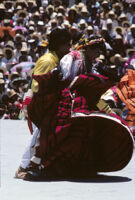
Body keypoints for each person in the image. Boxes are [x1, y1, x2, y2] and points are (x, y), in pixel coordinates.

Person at [15, 34, 134, 180]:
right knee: (46, 132)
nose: (98, 53)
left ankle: (69, 166)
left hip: (77, 103)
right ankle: (25, 166)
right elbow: (62, 78)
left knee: (81, 132)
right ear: (89, 48)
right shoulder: (72, 57)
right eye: (96, 50)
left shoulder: (91, 64)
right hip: (60, 100)